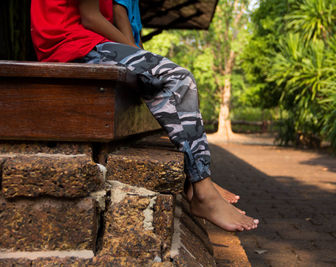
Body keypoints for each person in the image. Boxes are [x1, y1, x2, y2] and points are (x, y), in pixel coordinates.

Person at [31, 0, 259, 231]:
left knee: (163, 79)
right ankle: (203, 191)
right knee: (179, 80)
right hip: (72, 42)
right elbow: (90, 17)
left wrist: (137, 52)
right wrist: (137, 52)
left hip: (81, 41)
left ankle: (197, 180)